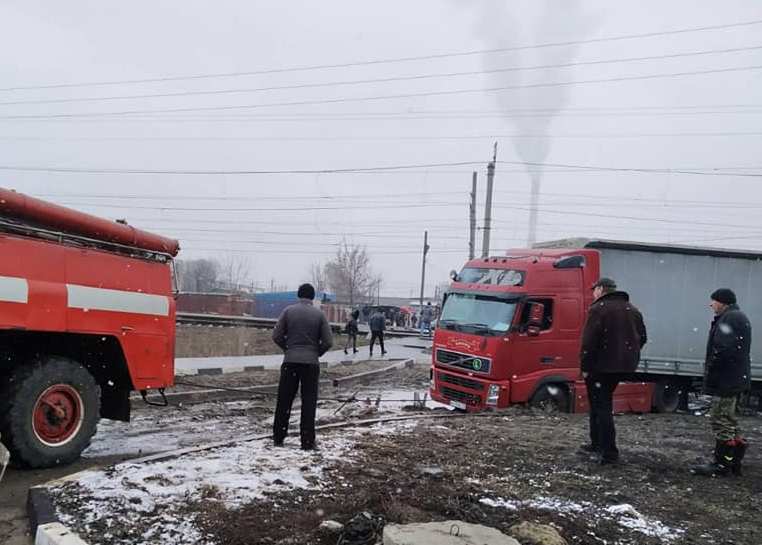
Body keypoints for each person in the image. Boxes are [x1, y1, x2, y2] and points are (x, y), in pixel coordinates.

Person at [579, 277, 647, 465]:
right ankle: (597, 443)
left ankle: (608, 452)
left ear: (601, 289)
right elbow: (642, 337)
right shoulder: (632, 309)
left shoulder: (598, 309)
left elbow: (589, 342)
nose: (593, 293)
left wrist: (585, 366)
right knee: (600, 403)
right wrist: (626, 355)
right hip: (622, 367)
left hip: (600, 367)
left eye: (594, 289)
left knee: (601, 406)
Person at [692, 288, 751, 477]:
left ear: (723, 302)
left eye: (714, 301)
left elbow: (722, 350)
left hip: (726, 380)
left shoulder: (730, 319)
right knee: (730, 420)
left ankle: (721, 464)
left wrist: (713, 373)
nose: (711, 304)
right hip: (734, 378)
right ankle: (734, 463)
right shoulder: (738, 317)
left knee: (720, 420)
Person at [271, 283, 333, 450]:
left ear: (299, 295)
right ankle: (307, 441)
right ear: (312, 297)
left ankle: (278, 437)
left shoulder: (288, 311)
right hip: (311, 365)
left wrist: (288, 348)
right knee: (308, 402)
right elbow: (328, 341)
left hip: (290, 363)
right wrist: (316, 353)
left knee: (284, 400)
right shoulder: (319, 315)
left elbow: (276, 335)